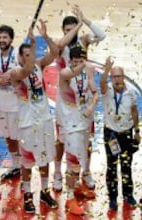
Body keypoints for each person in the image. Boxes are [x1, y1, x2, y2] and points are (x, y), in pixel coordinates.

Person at [54, 5, 106, 192]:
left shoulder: (83, 41)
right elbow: (61, 45)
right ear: (64, 31)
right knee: (61, 139)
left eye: (73, 29)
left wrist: (85, 20)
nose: (71, 33)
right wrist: (76, 27)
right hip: (66, 100)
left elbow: (102, 36)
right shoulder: (59, 45)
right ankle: (58, 173)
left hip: (83, 97)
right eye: (68, 30)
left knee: (86, 138)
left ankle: (86, 171)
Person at [8, 20, 59, 213]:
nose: (31, 57)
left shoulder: (38, 64)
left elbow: (54, 53)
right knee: (27, 161)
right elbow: (27, 70)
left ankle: (44, 192)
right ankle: (28, 194)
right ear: (20, 57)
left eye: (31, 55)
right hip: (27, 123)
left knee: (45, 157)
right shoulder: (15, 72)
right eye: (26, 55)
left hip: (44, 119)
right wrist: (33, 45)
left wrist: (44, 36)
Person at [57, 46, 99, 215]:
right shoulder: (65, 73)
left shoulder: (87, 72)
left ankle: (77, 187)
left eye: (81, 61)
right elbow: (69, 74)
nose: (78, 64)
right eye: (75, 61)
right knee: (72, 162)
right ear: (70, 61)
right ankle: (69, 198)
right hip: (70, 125)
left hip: (85, 122)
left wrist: (92, 105)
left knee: (81, 158)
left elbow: (95, 93)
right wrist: (84, 65)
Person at [100, 56, 140, 211]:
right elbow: (102, 84)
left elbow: (135, 111)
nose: (117, 79)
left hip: (126, 133)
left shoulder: (130, 92)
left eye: (119, 76)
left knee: (126, 164)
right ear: (111, 77)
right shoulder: (107, 90)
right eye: (114, 76)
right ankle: (112, 197)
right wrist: (106, 70)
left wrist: (137, 131)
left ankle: (128, 195)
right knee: (111, 166)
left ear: (124, 77)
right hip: (111, 134)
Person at [0, 24, 21, 181]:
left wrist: (13, 76)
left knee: (18, 135)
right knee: (7, 135)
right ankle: (16, 166)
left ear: (11, 39)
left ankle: (23, 164)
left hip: (15, 102)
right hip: (0, 102)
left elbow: (26, 72)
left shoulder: (18, 55)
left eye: (5, 37)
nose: (2, 40)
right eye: (0, 37)